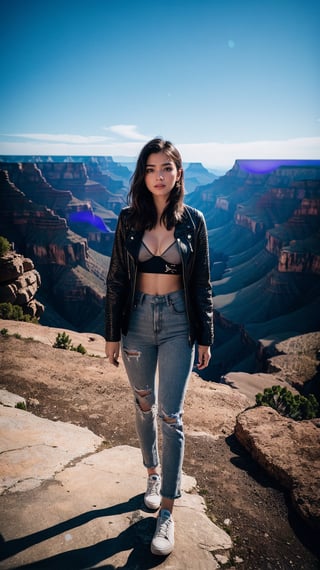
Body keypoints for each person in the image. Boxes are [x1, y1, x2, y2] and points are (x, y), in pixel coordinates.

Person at [105, 138, 214, 556]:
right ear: (142, 174)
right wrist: (112, 333)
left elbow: (202, 283)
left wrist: (205, 336)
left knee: (172, 416)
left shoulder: (194, 221)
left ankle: (167, 510)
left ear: (179, 173)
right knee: (143, 404)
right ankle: (152, 473)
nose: (159, 176)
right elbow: (115, 279)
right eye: (151, 168)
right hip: (135, 324)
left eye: (166, 167)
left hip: (176, 323)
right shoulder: (127, 220)